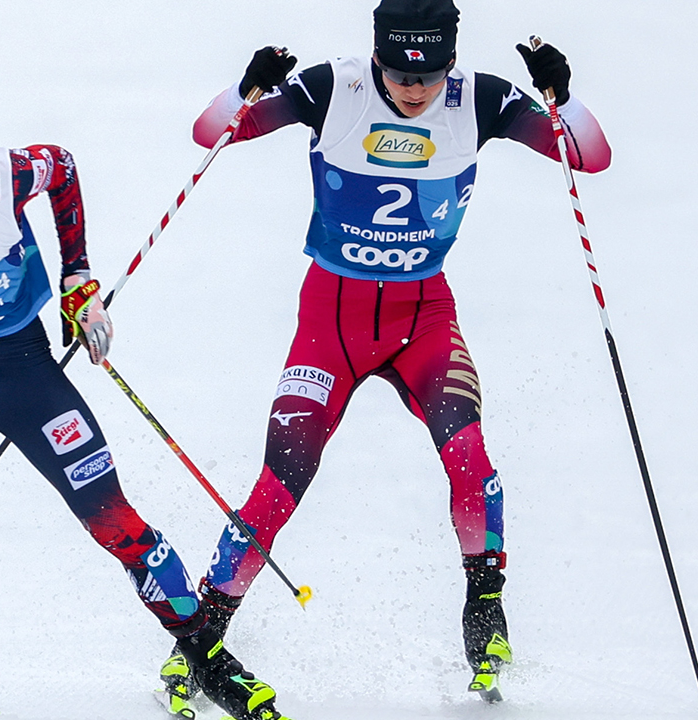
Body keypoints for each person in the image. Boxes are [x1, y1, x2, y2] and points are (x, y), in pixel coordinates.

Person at [158, 0, 611, 707]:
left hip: (424, 318)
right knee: (282, 480)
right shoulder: (333, 88)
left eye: (429, 73)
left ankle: (484, 607)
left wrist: (562, 97)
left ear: (450, 63)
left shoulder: (480, 99)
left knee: (471, 458)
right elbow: (211, 133)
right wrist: (246, 86)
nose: (414, 87)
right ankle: (200, 636)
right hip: (329, 323)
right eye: (399, 71)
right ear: (377, 56)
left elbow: (589, 156)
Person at [0, 65, 291, 720]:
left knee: (111, 519)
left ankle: (207, 659)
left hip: (17, 366)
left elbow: (63, 169)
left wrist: (78, 282)